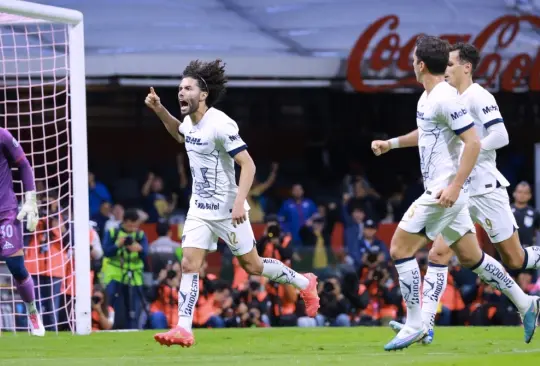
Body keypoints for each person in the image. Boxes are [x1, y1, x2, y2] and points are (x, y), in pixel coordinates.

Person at [371, 35, 539, 351]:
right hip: (457, 188)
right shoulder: (429, 99)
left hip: (458, 189)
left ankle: (416, 324)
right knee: (469, 256)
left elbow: (478, 141)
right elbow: (428, 132)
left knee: (399, 248)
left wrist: (455, 184)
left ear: (421, 64)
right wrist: (390, 144)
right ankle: (526, 302)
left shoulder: (454, 97)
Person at [145, 59, 319, 347]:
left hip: (229, 210)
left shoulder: (221, 124)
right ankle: (183, 329)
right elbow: (180, 134)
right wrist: (158, 109)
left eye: (187, 88)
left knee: (253, 266)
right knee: (189, 263)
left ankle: (304, 282)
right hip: (199, 209)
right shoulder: (190, 122)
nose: (180, 92)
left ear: (203, 94)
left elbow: (248, 165)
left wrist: (240, 202)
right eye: (179, 88)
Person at [0, 128, 44, 336]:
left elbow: (23, 164)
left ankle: (32, 311)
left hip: (5, 211)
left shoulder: (2, 135)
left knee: (15, 265)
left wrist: (31, 198)